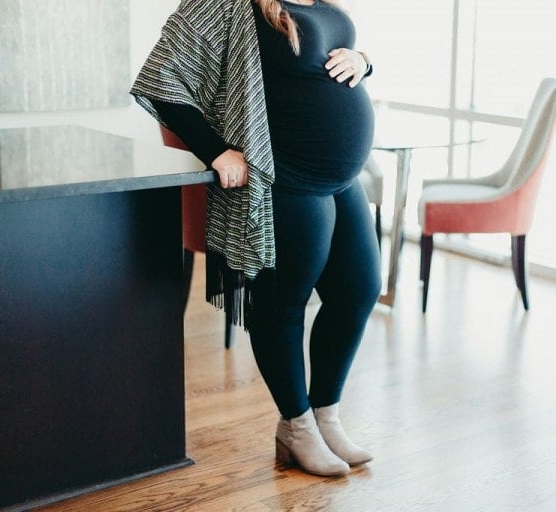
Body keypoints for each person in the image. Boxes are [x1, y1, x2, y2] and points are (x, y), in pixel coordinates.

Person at [130, 0, 380, 477]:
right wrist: (216, 151)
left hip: (344, 179)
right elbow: (162, 79)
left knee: (359, 291)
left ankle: (326, 416)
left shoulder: (324, 4)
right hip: (285, 178)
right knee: (283, 304)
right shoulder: (226, 3)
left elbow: (334, 57)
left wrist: (365, 61)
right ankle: (297, 426)